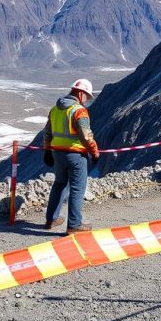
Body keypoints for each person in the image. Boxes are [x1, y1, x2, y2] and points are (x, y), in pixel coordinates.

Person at [43, 78, 100, 234]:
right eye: (87, 96)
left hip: (57, 154)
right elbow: (86, 136)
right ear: (81, 94)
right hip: (75, 155)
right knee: (77, 189)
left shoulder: (55, 109)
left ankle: (51, 219)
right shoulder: (79, 111)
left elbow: (47, 132)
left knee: (59, 184)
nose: (87, 100)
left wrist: (47, 150)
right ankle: (74, 225)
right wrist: (94, 151)